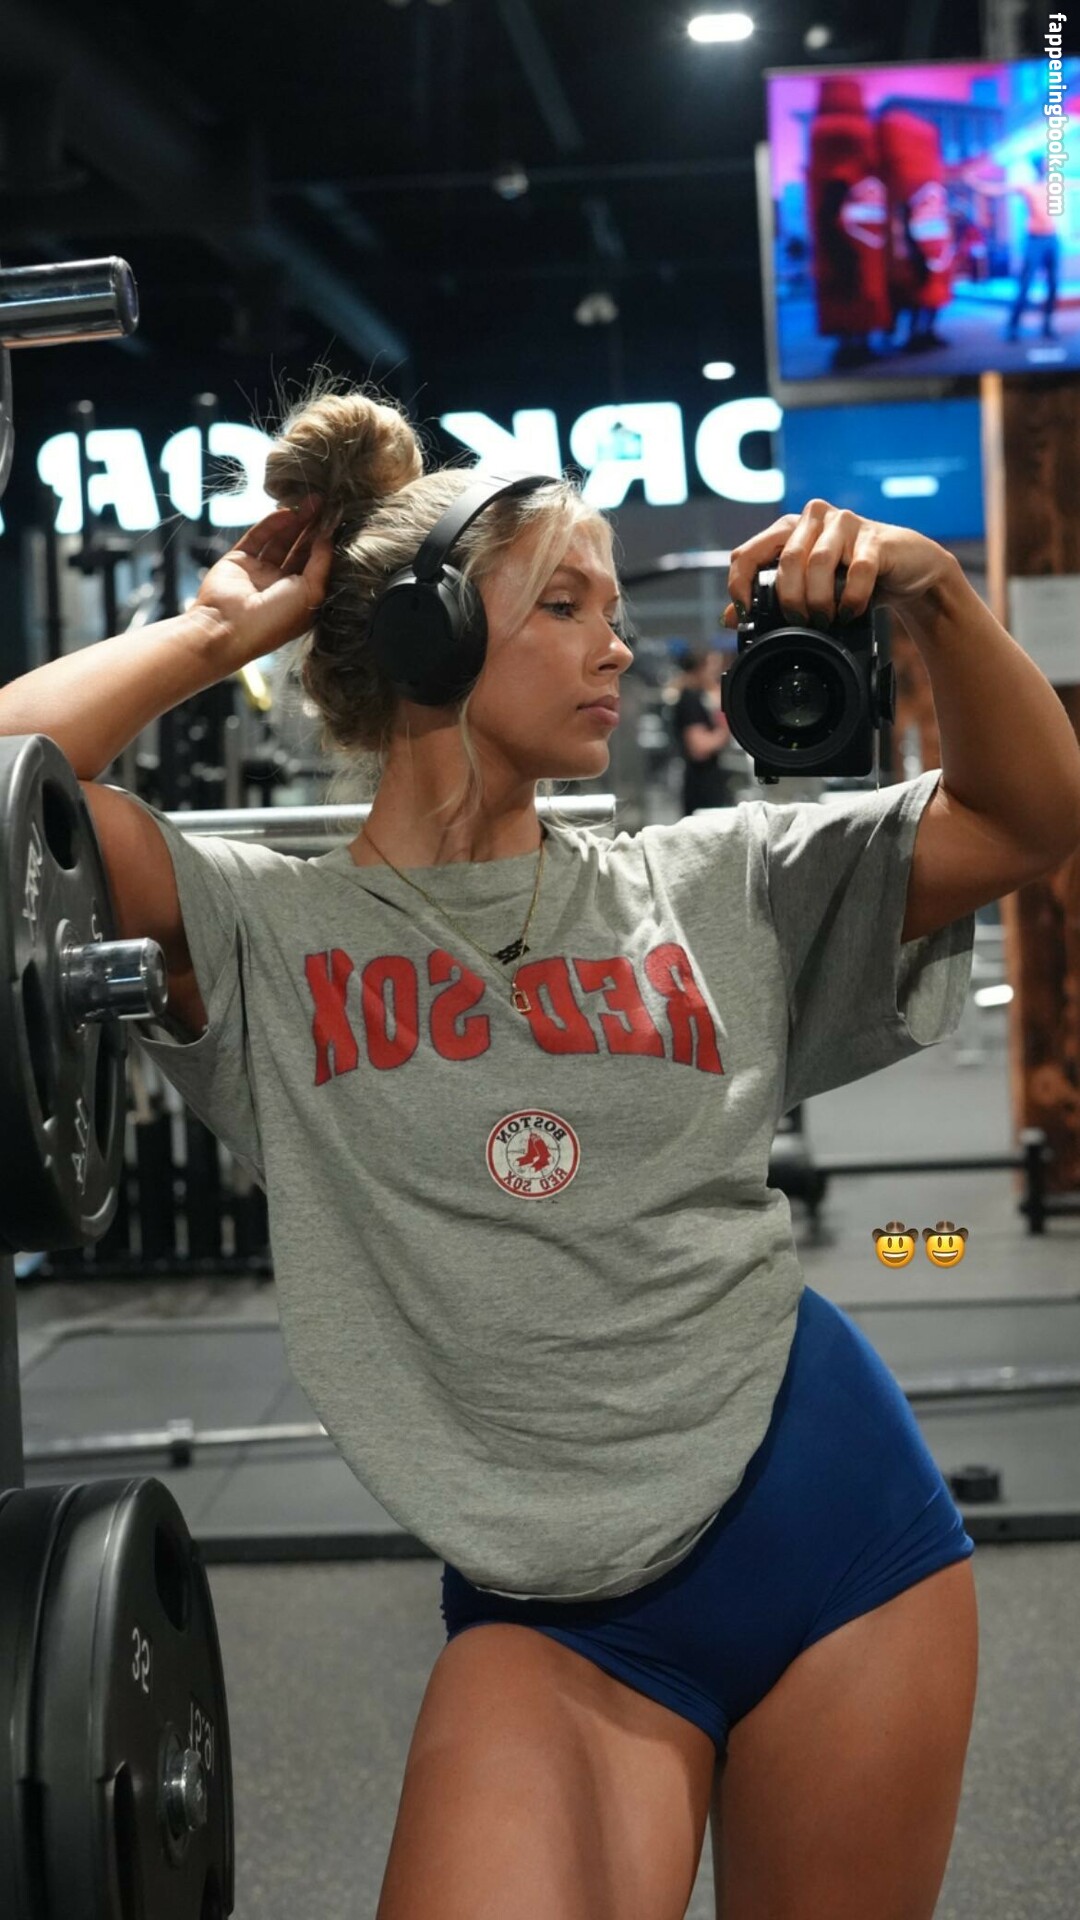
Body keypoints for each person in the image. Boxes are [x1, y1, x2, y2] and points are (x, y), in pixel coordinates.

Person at [6, 392, 1080, 1919]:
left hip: (833, 1530)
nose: (618, 646)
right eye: (565, 604)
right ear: (433, 637)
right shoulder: (260, 930)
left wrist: (939, 595)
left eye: (610, 608)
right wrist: (220, 633)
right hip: (556, 1618)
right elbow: (4, 786)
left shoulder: (714, 879)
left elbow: (1033, 817)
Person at [962, 153, 1061, 340]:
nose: (1047, 167)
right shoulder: (1027, 187)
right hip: (1035, 240)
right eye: (1044, 164)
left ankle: (1047, 326)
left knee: (1053, 284)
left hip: (1052, 239)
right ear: (1037, 167)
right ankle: (1013, 327)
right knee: (1025, 284)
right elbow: (996, 190)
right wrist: (973, 182)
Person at [672, 645, 742, 814]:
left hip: (708, 779)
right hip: (701, 783)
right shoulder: (690, 700)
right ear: (700, 669)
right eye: (713, 667)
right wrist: (726, 726)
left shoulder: (697, 697)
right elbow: (700, 748)